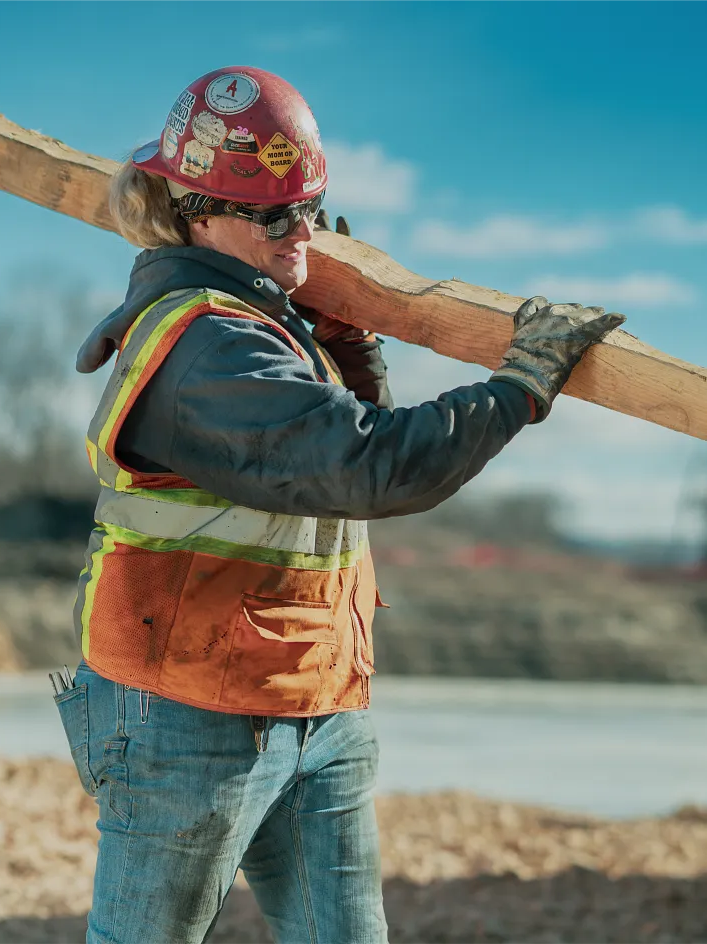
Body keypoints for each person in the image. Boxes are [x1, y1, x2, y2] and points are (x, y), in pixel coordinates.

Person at [53, 66, 625, 944]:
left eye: (311, 206)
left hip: (313, 699)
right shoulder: (206, 345)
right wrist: (521, 385)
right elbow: (373, 466)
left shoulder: (265, 325)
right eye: (274, 215)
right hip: (185, 713)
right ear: (200, 213)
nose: (304, 232)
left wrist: (350, 348)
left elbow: (331, 450)